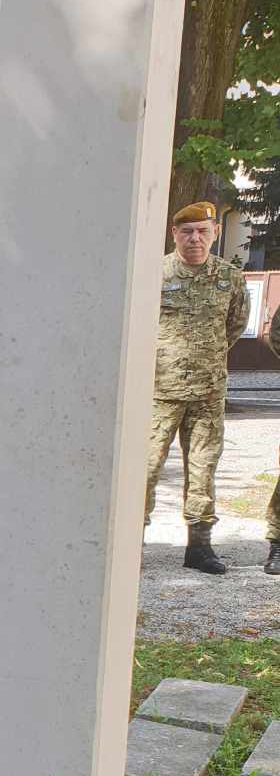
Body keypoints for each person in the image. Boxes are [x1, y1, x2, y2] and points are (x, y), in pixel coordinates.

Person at [144, 201, 256, 574]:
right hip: (159, 393)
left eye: (202, 231)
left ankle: (200, 545)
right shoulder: (152, 275)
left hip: (208, 394)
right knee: (144, 468)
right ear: (174, 234)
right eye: (187, 231)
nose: (195, 238)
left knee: (204, 469)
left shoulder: (229, 278)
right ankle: (131, 541)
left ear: (215, 233)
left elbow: (234, 326)